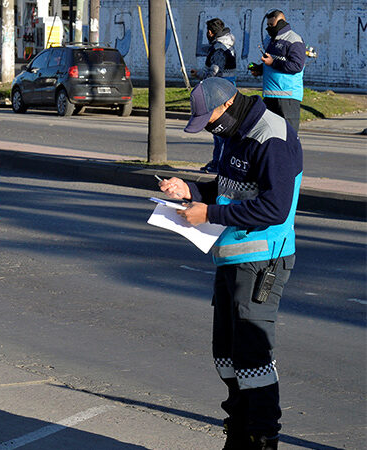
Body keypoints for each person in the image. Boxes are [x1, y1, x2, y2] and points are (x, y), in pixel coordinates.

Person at [158, 77, 302, 450]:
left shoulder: (272, 136)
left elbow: (275, 207)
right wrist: (188, 190)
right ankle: (238, 434)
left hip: (263, 259)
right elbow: (225, 189)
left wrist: (210, 213)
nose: (207, 125)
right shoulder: (233, 132)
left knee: (252, 358)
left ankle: (261, 438)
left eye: (208, 118)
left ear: (227, 105)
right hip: (232, 257)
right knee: (226, 354)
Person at [190, 18, 237, 174]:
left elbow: (214, 72)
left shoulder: (218, 48)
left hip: (219, 93)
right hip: (230, 89)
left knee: (219, 131)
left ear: (210, 32)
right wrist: (199, 73)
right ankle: (219, 161)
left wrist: (203, 79)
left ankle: (219, 163)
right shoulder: (229, 45)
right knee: (224, 130)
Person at [248, 10, 305, 133]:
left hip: (287, 97)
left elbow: (296, 66)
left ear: (281, 23)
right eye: (267, 25)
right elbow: (271, 63)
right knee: (270, 134)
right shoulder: (271, 40)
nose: (269, 28)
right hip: (270, 96)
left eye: (271, 25)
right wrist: (260, 69)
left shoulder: (294, 40)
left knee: (288, 135)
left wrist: (272, 63)